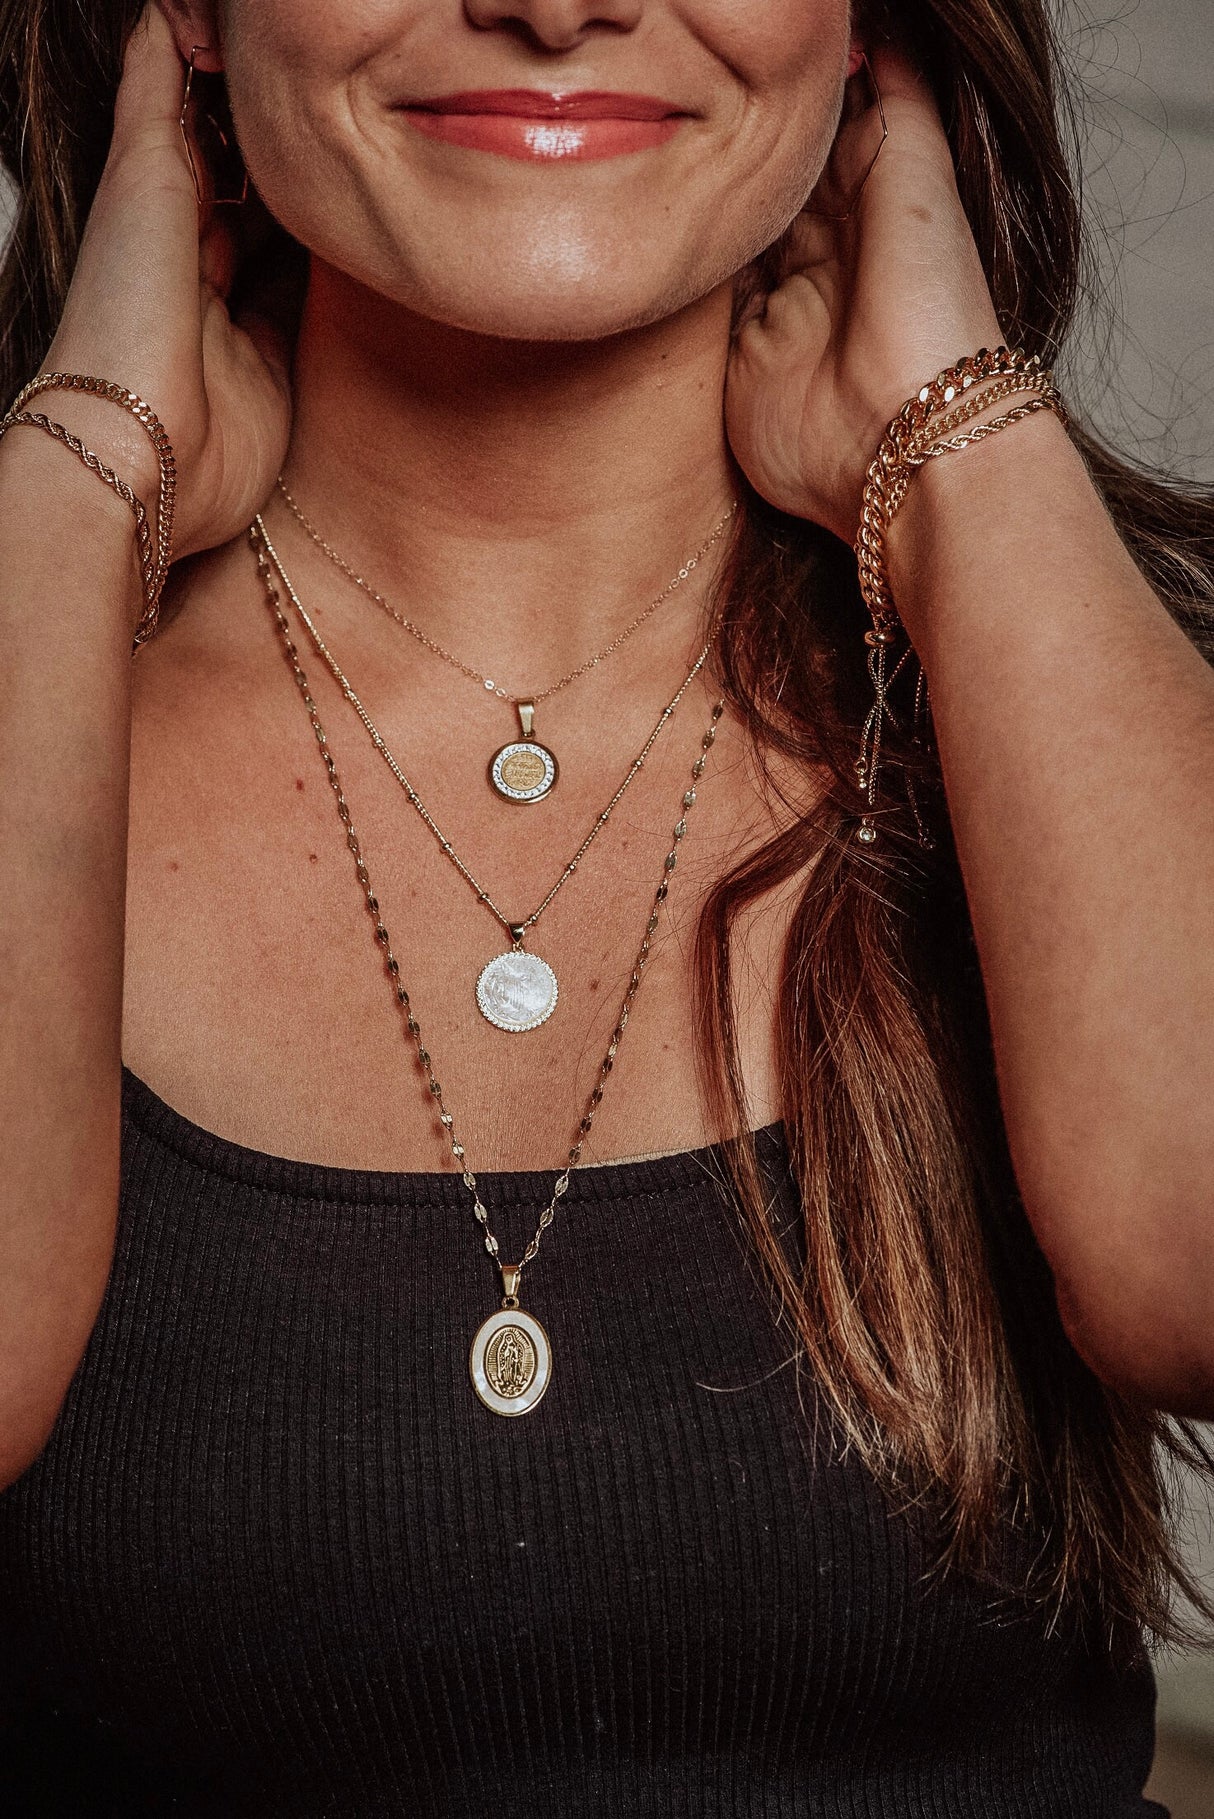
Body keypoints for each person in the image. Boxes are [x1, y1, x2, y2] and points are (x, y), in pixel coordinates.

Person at [0, 0, 1211, 1809]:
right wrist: (69, 485)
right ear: (188, 18)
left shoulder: (1090, 681)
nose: (557, 5)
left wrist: (961, 451)